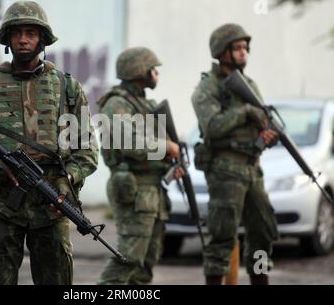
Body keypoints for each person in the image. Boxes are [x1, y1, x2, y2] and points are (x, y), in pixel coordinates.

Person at [0, 1, 98, 285]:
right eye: (17, 33)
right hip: (3, 205)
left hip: (51, 204)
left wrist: (68, 180)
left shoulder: (68, 88)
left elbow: (87, 149)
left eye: (31, 32)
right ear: (7, 39)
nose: (24, 39)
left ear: (42, 38)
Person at [191, 23, 279, 285]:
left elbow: (263, 119)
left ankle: (260, 279)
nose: (243, 53)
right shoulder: (207, 88)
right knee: (222, 237)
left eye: (245, 48)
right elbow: (212, 126)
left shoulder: (248, 84)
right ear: (222, 51)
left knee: (263, 231)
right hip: (225, 170)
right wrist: (244, 112)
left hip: (253, 168)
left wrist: (267, 135)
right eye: (237, 48)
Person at [97, 47, 184, 284]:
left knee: (145, 265)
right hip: (134, 190)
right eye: (152, 69)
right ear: (138, 70)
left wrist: (171, 161)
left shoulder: (144, 104)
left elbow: (153, 147)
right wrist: (167, 147)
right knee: (129, 259)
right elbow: (129, 143)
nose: (156, 73)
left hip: (153, 190)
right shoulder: (116, 104)